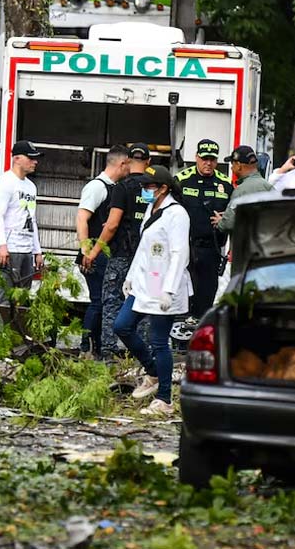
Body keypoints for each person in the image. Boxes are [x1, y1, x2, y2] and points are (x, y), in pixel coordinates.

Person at [114, 165, 190, 417]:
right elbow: (144, 249)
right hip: (146, 280)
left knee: (159, 341)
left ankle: (164, 398)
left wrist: (169, 290)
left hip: (165, 283)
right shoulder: (151, 209)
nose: (145, 190)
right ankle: (153, 371)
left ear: (163, 188)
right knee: (122, 326)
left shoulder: (177, 214)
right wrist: (131, 276)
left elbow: (180, 254)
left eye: (149, 186)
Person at [89, 143, 152, 357]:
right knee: (142, 304)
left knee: (112, 301)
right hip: (146, 258)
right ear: (148, 162)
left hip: (121, 256)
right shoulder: (155, 189)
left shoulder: (121, 188)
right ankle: (139, 352)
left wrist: (94, 251)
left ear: (128, 162)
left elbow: (112, 224)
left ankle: (109, 351)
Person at [75, 145, 129, 357]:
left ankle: (96, 347)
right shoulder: (97, 187)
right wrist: (86, 249)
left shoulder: (114, 187)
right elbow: (82, 218)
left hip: (103, 254)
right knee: (98, 300)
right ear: (122, 163)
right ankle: (86, 347)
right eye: (128, 165)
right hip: (94, 255)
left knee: (104, 301)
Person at [175, 139, 233, 325]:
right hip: (186, 247)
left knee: (207, 295)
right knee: (183, 294)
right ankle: (179, 336)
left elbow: (234, 213)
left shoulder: (225, 184)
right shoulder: (182, 180)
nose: (208, 163)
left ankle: (200, 334)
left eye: (212, 159)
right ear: (196, 158)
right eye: (204, 159)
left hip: (212, 249)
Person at [0, 140, 44, 296]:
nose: (35, 162)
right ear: (16, 158)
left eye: (35, 158)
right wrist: (2, 245)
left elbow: (32, 219)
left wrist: (37, 251)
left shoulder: (31, 187)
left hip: (26, 250)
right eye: (30, 158)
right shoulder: (5, 183)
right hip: (9, 249)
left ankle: (15, 321)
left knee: (21, 298)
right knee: (3, 298)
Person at [213, 146, 274, 234]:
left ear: (238, 166)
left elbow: (228, 224)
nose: (231, 168)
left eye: (232, 164)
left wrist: (220, 222)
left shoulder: (240, 191)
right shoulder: (269, 187)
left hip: (245, 245)